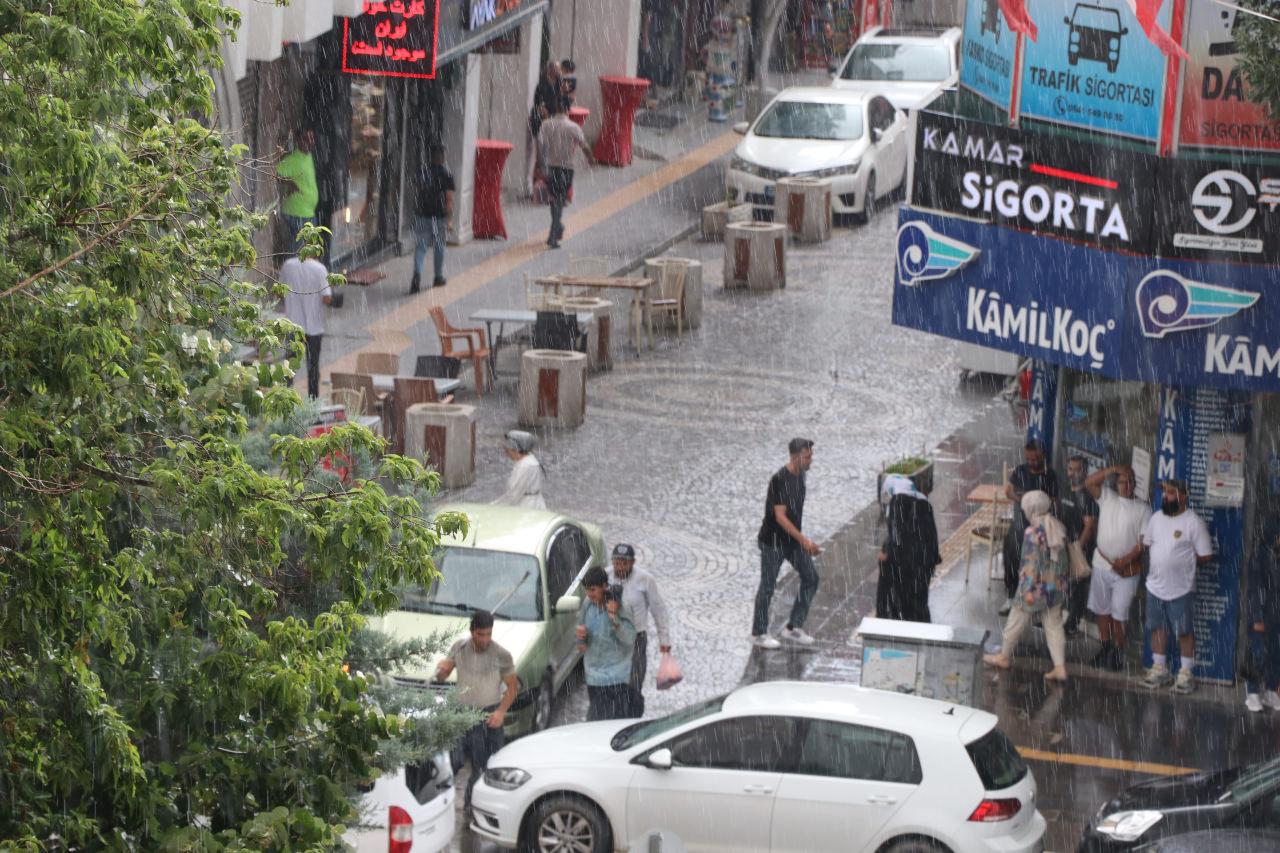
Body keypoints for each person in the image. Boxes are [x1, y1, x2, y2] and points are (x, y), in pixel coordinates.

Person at [434, 611, 518, 813]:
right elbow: (441, 678)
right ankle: (437, 804)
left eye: (489, 634)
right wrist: (442, 670)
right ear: (472, 632)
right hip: (461, 713)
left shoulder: (501, 655)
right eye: (481, 634)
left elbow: (513, 689)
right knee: (453, 763)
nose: (485, 639)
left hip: (488, 715)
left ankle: (472, 807)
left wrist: (500, 712)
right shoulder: (459, 647)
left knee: (483, 766)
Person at [984, 491, 1070, 682]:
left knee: (1015, 621)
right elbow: (1063, 561)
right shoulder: (1056, 526)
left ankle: (1004, 656)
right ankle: (1059, 667)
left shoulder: (1034, 533)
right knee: (1054, 625)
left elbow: (1030, 564)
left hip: (1035, 590)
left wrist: (1026, 590)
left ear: (1031, 509)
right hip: (1054, 589)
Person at [1140, 479, 1213, 694]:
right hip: (1155, 586)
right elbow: (1147, 545)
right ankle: (1160, 668)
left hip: (1181, 589)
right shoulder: (1156, 518)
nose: (1166, 497)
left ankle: (1186, 673)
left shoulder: (1194, 522)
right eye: (1164, 493)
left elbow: (1205, 555)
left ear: (1183, 496)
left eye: (1170, 493)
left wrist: (1184, 564)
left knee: (1184, 631)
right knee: (1158, 628)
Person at [752, 437, 821, 649]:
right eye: (807, 456)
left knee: (811, 577)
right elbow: (780, 517)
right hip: (772, 542)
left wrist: (800, 540)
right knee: (768, 586)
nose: (811, 460)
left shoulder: (801, 477)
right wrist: (804, 540)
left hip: (791, 541)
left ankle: (793, 627)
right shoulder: (779, 479)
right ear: (796, 456)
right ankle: (759, 633)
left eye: (811, 456)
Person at [1084, 464, 1150, 671]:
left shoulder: (1143, 508)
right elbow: (1089, 482)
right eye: (1122, 481)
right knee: (1102, 611)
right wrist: (1112, 469)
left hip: (1126, 570)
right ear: (1116, 483)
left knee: (1119, 613)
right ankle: (1105, 648)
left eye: (1130, 481)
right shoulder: (1108, 497)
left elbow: (1143, 542)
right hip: (1102, 563)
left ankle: (1117, 651)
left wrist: (1126, 559)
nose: (1126, 485)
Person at [607, 543, 673, 716]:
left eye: (624, 562)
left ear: (633, 562)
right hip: (612, 638)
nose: (620, 566)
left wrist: (664, 641)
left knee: (634, 684)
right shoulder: (605, 576)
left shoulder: (645, 580)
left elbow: (658, 610)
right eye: (617, 562)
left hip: (636, 638)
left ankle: (632, 717)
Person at [1000, 440, 1060, 615]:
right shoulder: (1020, 470)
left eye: (1035, 459)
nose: (1031, 463)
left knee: (1036, 568)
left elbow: (1054, 501)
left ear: (1042, 457)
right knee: (1011, 561)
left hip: (1039, 531)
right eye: (1028, 459)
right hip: (1019, 525)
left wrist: (1038, 502)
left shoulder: (1050, 475)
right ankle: (1011, 597)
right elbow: (1008, 490)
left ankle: (1035, 603)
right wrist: (1021, 498)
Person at [876, 474, 941, 623]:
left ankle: (888, 624)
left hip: (907, 562)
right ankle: (922, 634)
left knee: (902, 600)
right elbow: (931, 534)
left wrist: (886, 553)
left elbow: (897, 534)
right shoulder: (924, 503)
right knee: (919, 602)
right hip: (925, 561)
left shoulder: (897, 500)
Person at [576, 566, 638, 721]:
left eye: (593, 590)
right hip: (594, 677)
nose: (589, 594)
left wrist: (613, 618)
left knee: (607, 721)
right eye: (587, 590)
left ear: (604, 586)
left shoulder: (621, 605)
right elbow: (581, 643)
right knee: (598, 722)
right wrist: (581, 637)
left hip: (617, 677)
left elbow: (630, 639)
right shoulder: (587, 605)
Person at [537, 97, 594, 249]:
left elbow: (540, 146)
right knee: (560, 199)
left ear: (556, 107)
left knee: (554, 199)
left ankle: (556, 228)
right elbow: (584, 145)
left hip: (550, 167)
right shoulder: (573, 127)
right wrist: (591, 159)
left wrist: (540, 165)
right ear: (568, 109)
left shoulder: (546, 124)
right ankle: (554, 233)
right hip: (566, 168)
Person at [280, 253, 333, 399]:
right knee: (313, 368)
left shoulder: (288, 265)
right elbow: (327, 298)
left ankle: (285, 400)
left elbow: (279, 292)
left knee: (289, 367)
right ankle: (313, 402)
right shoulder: (320, 269)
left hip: (292, 325)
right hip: (313, 328)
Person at [1059, 456, 1099, 637]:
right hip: (1063, 547)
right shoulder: (1065, 491)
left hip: (1080, 549)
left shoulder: (1088, 498)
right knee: (1065, 585)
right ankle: (1060, 621)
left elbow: (1089, 526)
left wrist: (1077, 549)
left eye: (1077, 469)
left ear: (1084, 472)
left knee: (1078, 589)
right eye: (1070, 469)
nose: (1073, 473)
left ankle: (1072, 625)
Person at [1245, 513, 1280, 712]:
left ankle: (1270, 691)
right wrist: (1257, 616)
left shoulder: (1275, 554)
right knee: (1258, 653)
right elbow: (1255, 588)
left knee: (1275, 653)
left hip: (1276, 613)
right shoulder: (1260, 555)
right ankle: (1252, 692)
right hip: (1262, 612)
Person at [410, 146, 454, 293]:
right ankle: (438, 276)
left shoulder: (423, 172)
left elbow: (417, 191)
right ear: (442, 158)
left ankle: (417, 275)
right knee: (439, 246)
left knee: (421, 247)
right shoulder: (446, 175)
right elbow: (449, 199)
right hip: (439, 216)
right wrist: (448, 219)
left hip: (423, 214)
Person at [276, 128, 319, 254]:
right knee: (298, 251)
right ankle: (294, 273)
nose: (310, 142)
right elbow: (275, 174)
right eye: (307, 139)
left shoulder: (309, 156)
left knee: (307, 250)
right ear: (299, 141)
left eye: (312, 139)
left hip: (307, 212)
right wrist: (290, 183)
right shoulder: (293, 159)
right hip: (297, 212)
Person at [527, 62, 562, 194]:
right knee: (536, 154)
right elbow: (542, 108)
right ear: (550, 70)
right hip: (541, 125)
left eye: (559, 70)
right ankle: (530, 186)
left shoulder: (559, 83)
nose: (559, 72)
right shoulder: (542, 85)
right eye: (557, 69)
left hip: (551, 124)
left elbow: (560, 101)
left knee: (547, 156)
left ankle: (546, 185)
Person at [493, 430, 545, 509]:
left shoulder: (526, 465)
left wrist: (494, 506)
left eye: (507, 450)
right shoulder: (528, 460)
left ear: (516, 450)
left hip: (527, 506)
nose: (506, 454)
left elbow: (514, 494)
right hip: (530, 503)